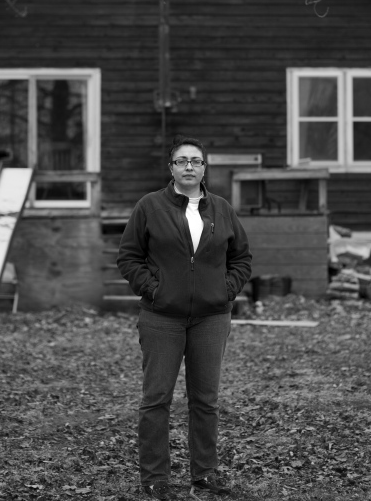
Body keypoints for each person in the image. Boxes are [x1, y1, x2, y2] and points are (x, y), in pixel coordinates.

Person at [117, 136, 252, 499]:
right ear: (171, 168)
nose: (189, 166)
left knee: (205, 400)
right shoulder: (150, 206)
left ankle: (205, 473)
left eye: (196, 161)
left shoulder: (221, 208)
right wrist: (153, 289)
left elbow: (241, 257)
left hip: (211, 318)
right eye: (181, 161)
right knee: (156, 398)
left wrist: (225, 290)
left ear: (205, 168)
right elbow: (128, 257)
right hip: (162, 317)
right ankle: (154, 477)